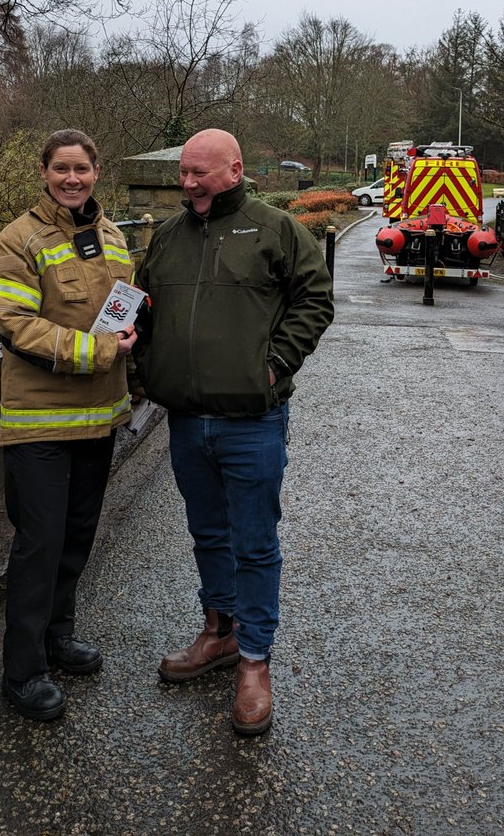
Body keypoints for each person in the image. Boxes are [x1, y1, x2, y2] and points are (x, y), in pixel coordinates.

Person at [134, 128, 334, 736]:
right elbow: (139, 307)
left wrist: (272, 367)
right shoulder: (167, 236)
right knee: (208, 533)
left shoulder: (275, 228)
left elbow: (316, 300)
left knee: (254, 541)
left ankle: (255, 661)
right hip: (187, 418)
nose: (188, 183)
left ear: (235, 169)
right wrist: (140, 367)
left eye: (200, 172)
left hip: (253, 419)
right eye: (183, 173)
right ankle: (218, 632)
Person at [0, 129, 138, 721]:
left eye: (82, 169)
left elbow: (121, 312)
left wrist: (132, 342)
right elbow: (16, 326)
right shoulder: (17, 240)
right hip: (40, 423)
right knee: (38, 546)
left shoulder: (114, 235)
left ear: (98, 172)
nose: (71, 179)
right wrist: (100, 351)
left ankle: (58, 636)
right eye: (61, 169)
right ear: (44, 172)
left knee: (75, 539)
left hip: (98, 420)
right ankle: (22, 672)